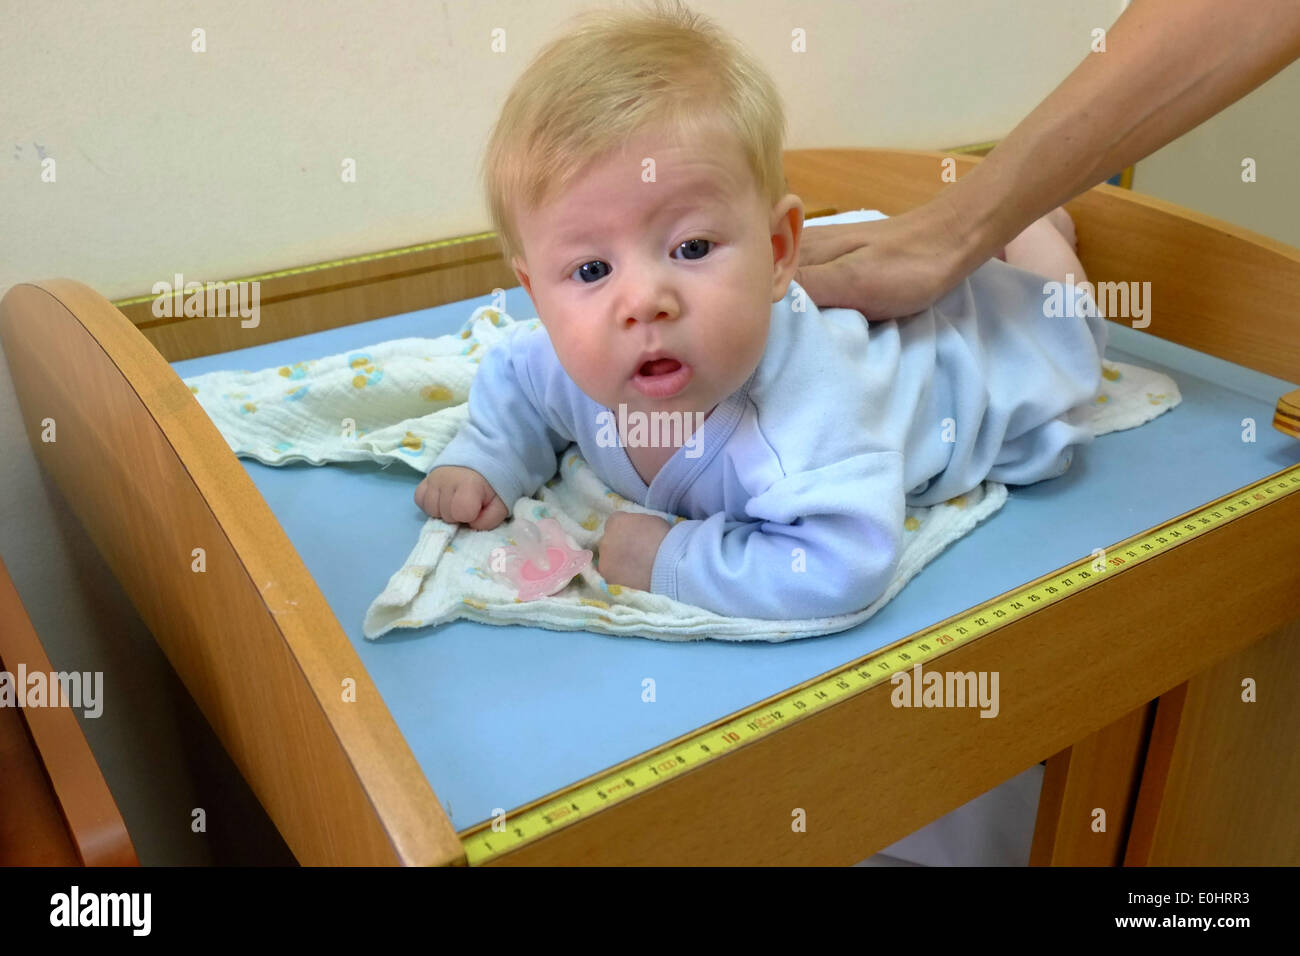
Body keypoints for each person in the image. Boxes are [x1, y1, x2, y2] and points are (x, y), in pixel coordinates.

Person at [414, 0, 1105, 621]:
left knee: (1061, 323)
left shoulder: (801, 421)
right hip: (873, 298)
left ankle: (1037, 229)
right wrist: (488, 457)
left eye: (691, 247)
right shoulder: (563, 363)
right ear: (537, 296)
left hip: (963, 352)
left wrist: (675, 562)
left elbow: (846, 563)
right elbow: (515, 383)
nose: (645, 300)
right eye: (592, 270)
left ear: (779, 252)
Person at [795, 0, 1300, 319]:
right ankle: (1036, 227)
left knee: (1065, 320)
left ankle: (1037, 227)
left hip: (998, 323)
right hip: (933, 288)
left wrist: (951, 230)